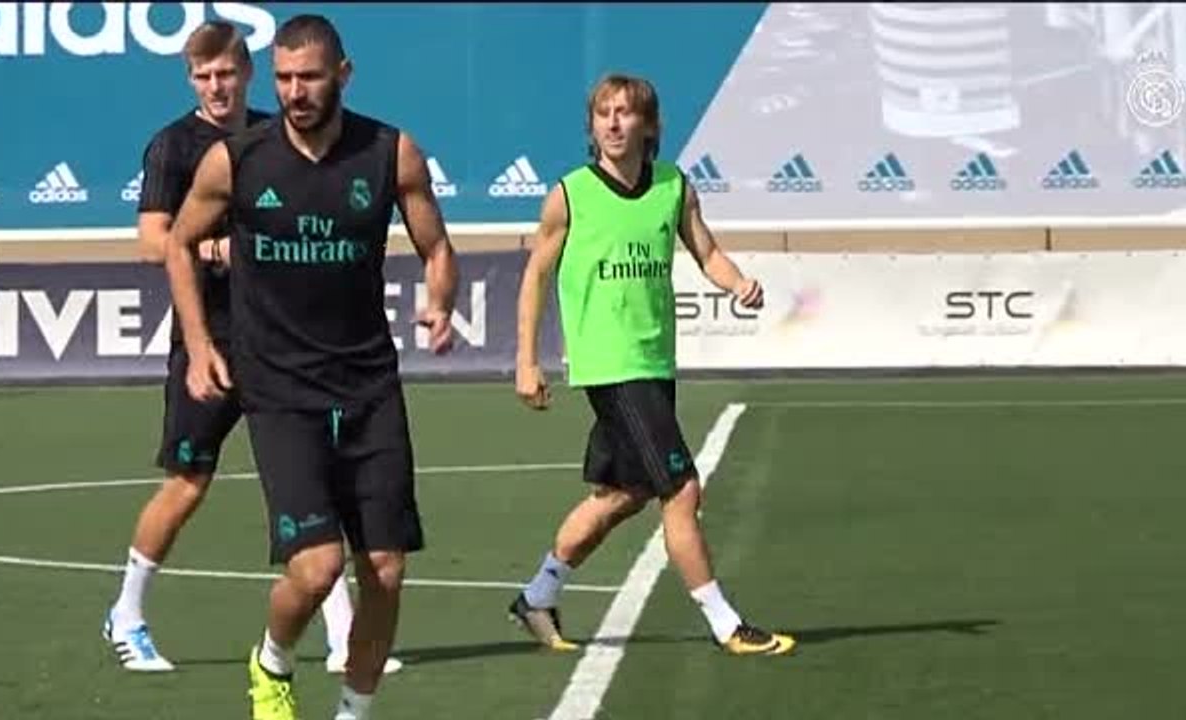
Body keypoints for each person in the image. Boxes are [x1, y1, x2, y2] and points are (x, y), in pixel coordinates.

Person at [163, 14, 457, 720]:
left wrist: (439, 300)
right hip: (280, 390)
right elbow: (179, 243)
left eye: (310, 77)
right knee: (318, 566)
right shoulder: (238, 159)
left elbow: (438, 248)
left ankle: (352, 712)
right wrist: (201, 346)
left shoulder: (391, 154)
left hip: (369, 387)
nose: (295, 91)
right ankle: (272, 660)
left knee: (385, 570)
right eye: (285, 77)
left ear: (343, 75)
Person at [101, 20, 397, 677]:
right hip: (210, 343)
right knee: (187, 482)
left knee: (321, 487)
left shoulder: (279, 136)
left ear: (247, 74)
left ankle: (344, 637)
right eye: (203, 76)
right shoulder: (174, 147)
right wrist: (217, 250)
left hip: (290, 347)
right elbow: (154, 240)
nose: (216, 86)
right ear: (190, 80)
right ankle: (126, 611)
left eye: (226, 74)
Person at [510, 73, 796, 657]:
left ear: (649, 125)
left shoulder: (673, 187)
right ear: (591, 126)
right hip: (610, 367)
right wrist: (526, 361)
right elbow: (535, 274)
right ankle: (725, 623)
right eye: (603, 114)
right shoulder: (570, 195)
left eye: (625, 113)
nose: (614, 123)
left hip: (655, 360)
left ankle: (536, 597)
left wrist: (739, 284)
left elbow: (706, 250)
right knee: (682, 490)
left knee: (623, 494)